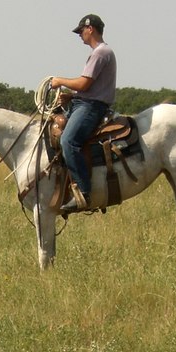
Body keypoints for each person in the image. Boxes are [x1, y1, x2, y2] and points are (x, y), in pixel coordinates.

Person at [51, 13, 117, 212]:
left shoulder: (101, 52)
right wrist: (71, 96)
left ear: (91, 29)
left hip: (91, 107)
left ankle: (84, 192)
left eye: (81, 31)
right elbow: (87, 87)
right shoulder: (100, 52)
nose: (80, 35)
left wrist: (60, 81)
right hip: (84, 103)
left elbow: (84, 83)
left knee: (68, 141)